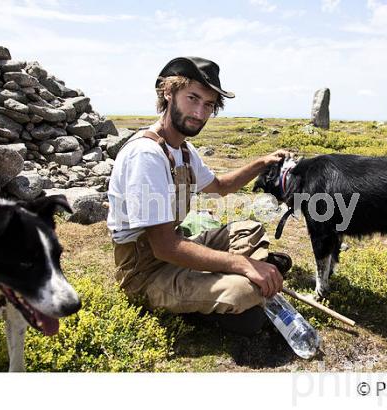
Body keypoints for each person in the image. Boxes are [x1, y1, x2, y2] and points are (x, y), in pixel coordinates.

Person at [107, 56, 292, 335]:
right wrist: (242, 264)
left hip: (175, 250)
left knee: (250, 230)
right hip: (145, 272)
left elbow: (220, 186)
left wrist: (261, 163)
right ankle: (213, 299)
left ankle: (216, 284)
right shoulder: (146, 155)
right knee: (245, 291)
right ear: (168, 92)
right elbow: (164, 247)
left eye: (208, 105)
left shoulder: (183, 151)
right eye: (192, 98)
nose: (199, 113)